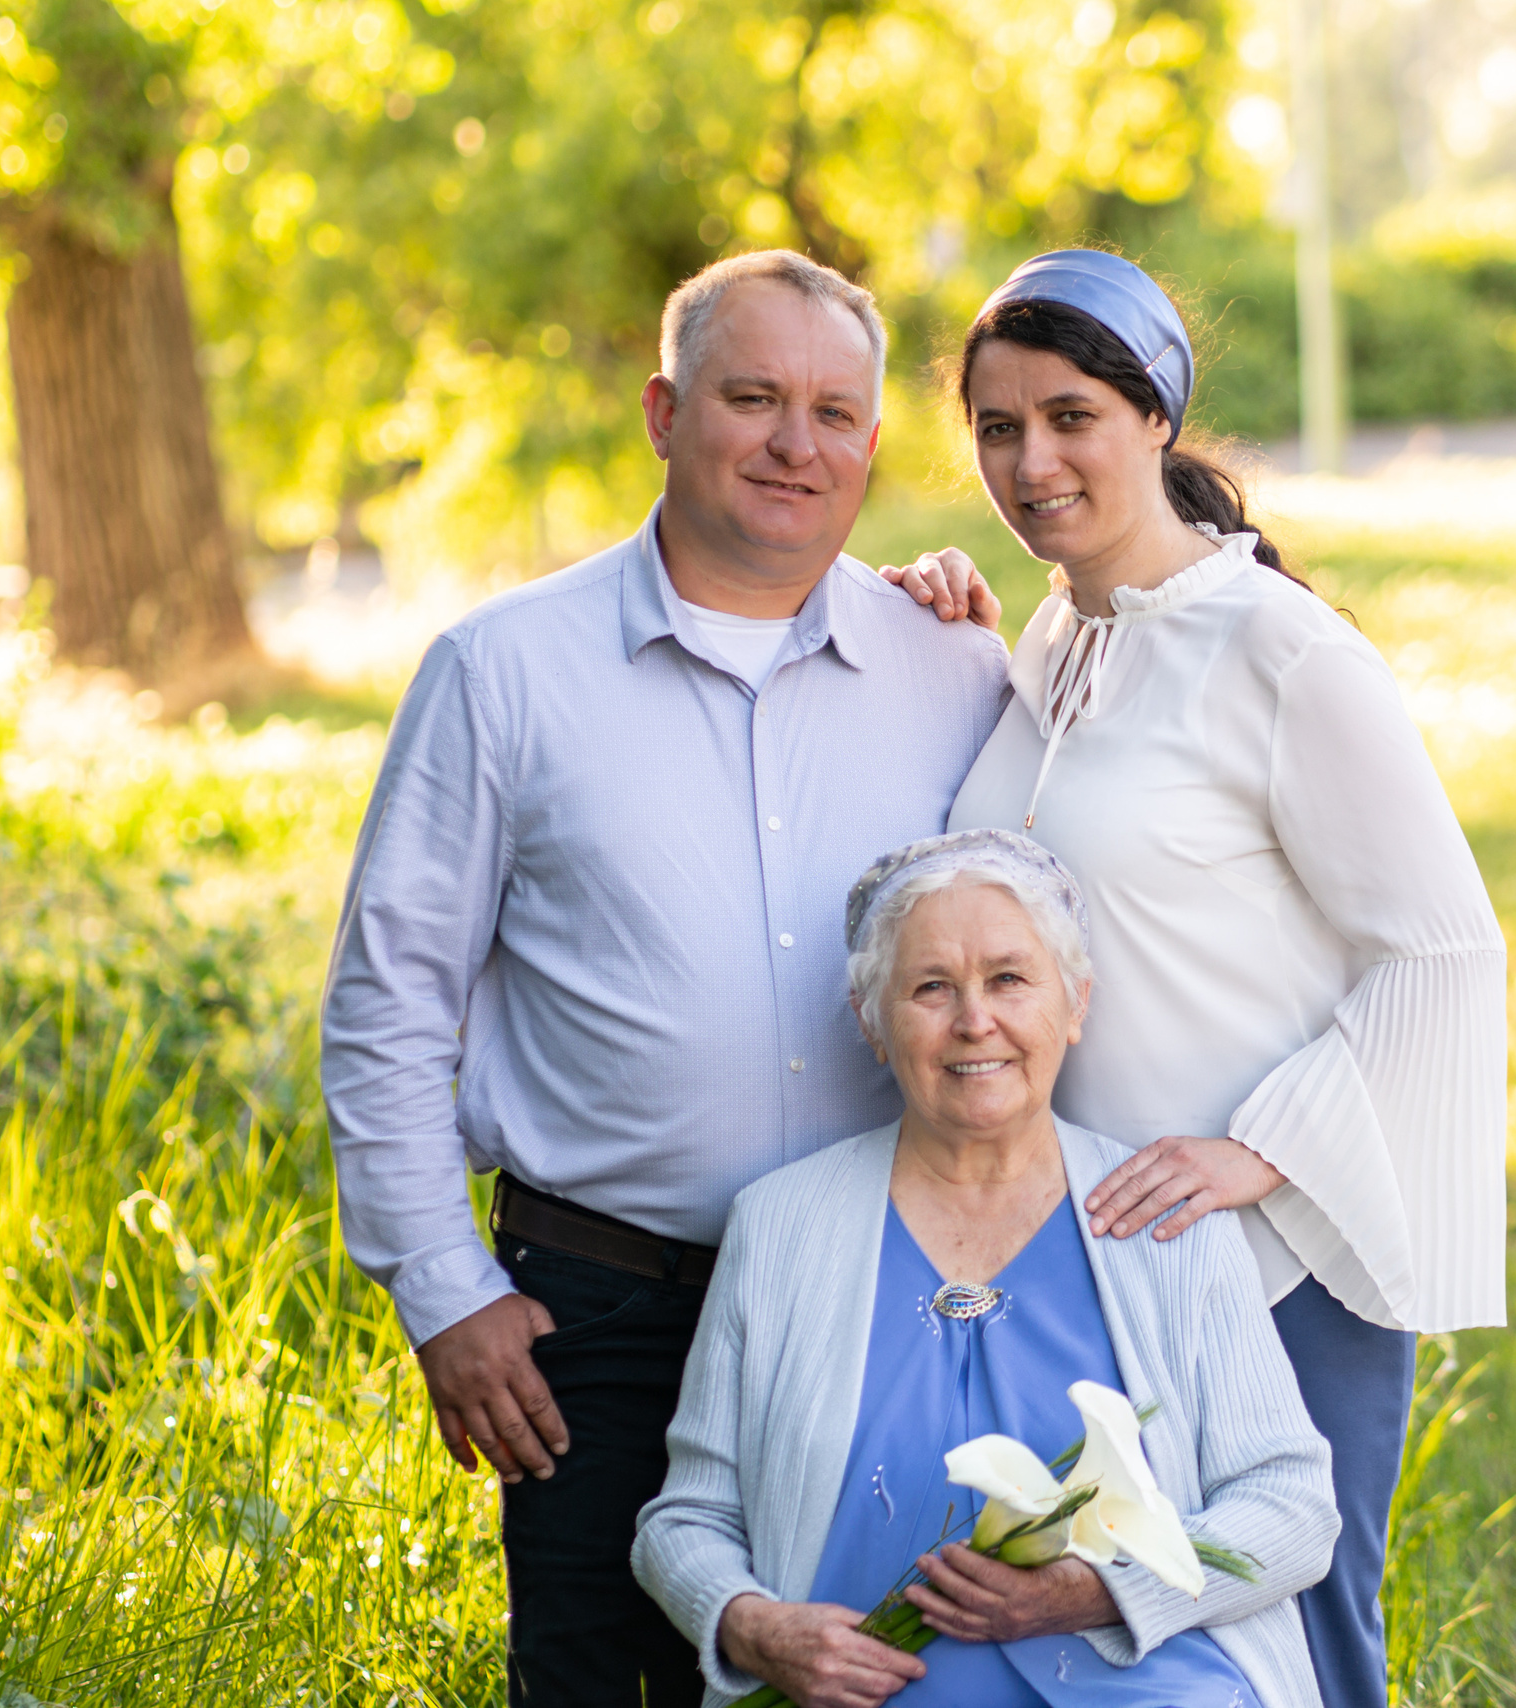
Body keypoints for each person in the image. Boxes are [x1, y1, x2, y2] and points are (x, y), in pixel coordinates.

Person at [320, 250, 1008, 1708]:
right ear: (663, 411)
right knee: (597, 1681)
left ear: (874, 447)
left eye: (834, 412)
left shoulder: (953, 669)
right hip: (601, 1310)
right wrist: (443, 1290)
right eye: (751, 397)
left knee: (874, 1681)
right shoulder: (500, 671)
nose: (793, 443)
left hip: (879, 1301)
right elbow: (389, 1004)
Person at [920, 249, 1510, 1708]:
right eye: (998, 428)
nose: (1031, 461)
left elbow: (1445, 951)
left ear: (1158, 420)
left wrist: (1258, 1155)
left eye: (1071, 418)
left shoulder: (1284, 653)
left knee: (1295, 1656)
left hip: (1276, 1268)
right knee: (1121, 1659)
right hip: (1089, 1263)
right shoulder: (1057, 639)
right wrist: (950, 640)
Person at [635, 829, 1338, 1708]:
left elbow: (1293, 1508)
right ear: (872, 1021)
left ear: (1075, 1003)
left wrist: (1096, 1593)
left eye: (1010, 979)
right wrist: (749, 1624)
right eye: (932, 988)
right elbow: (688, 1519)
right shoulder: (781, 1225)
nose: (976, 1021)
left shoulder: (1172, 1221)